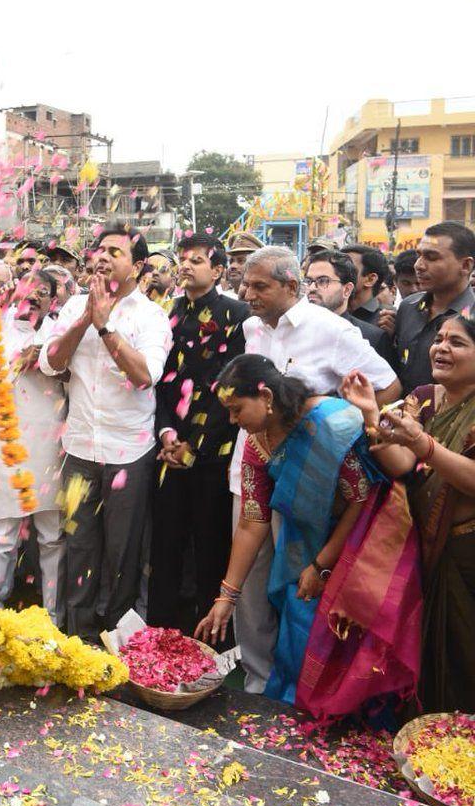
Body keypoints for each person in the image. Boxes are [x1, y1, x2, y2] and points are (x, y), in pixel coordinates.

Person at [197, 355, 422, 718]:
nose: (233, 421)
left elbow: (360, 501)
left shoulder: (332, 424)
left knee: (346, 648)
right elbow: (253, 520)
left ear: (266, 396)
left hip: (357, 549)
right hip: (302, 546)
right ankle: (300, 721)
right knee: (297, 638)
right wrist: (228, 596)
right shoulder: (258, 443)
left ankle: (342, 727)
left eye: (237, 409)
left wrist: (321, 566)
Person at [229, 245, 401, 692]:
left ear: (291, 286)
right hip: (251, 468)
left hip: (316, 484)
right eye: (246, 284)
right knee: (252, 584)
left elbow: (388, 386)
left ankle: (300, 686)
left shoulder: (331, 330)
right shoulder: (251, 327)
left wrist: (338, 430)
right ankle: (258, 681)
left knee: (301, 589)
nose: (248, 293)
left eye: (260, 286)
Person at [39, 223, 172, 640]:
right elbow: (51, 363)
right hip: (79, 448)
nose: (102, 256)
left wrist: (105, 326)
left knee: (121, 554)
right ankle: (78, 640)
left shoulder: (151, 316)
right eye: (99, 249)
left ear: (138, 266)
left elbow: (145, 375)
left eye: (115, 251)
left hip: (127, 454)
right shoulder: (76, 304)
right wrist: (85, 319)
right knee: (78, 549)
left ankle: (116, 641)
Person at [342, 316, 475, 713]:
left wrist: (423, 443)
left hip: (466, 553)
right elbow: (401, 464)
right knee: (429, 657)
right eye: (439, 339)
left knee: (463, 657)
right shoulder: (424, 397)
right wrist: (370, 416)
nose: (441, 348)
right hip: (424, 544)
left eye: (458, 343)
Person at [148, 233, 247, 631]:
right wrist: (168, 434)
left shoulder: (238, 315)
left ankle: (210, 635)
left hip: (216, 452)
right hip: (170, 448)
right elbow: (163, 383)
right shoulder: (166, 314)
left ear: (219, 270)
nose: (186, 266)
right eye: (182, 259)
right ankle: (160, 633)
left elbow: (236, 387)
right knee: (166, 543)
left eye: (197, 260)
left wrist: (199, 443)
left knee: (210, 545)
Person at [0, 270, 66, 623]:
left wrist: (43, 359)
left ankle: (53, 619)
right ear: (15, 293)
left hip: (50, 446)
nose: (34, 296)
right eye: (28, 289)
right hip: (6, 443)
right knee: (0, 536)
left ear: (52, 302)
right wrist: (9, 369)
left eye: (43, 292)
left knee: (52, 537)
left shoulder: (60, 334)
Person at [389, 222, 475, 393]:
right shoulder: (408, 307)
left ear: (465, 266)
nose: (419, 266)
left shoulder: (471, 315)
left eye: (432, 257)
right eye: (419, 255)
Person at [305, 250, 397, 368]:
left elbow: (390, 386)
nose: (312, 288)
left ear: (347, 290)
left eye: (323, 281)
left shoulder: (370, 337)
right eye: (308, 281)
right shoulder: (295, 330)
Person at [342, 244, 390, 325]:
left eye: (347, 268)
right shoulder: (327, 313)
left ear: (370, 279)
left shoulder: (388, 320)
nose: (337, 273)